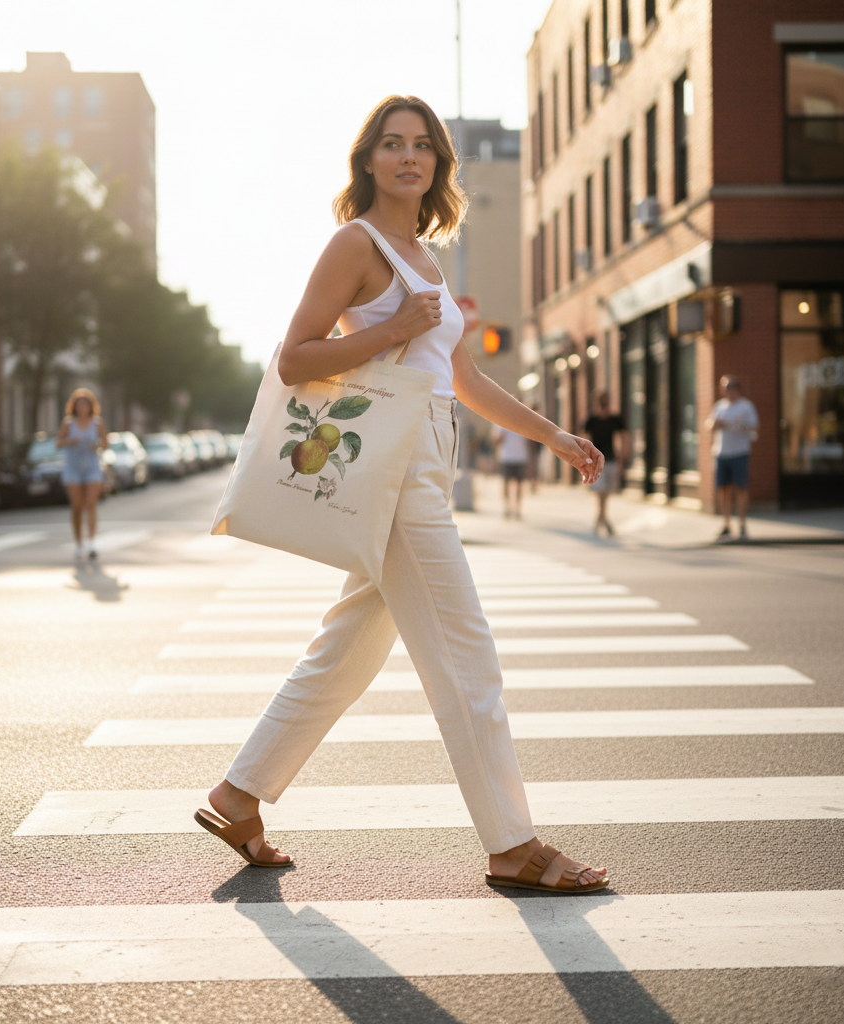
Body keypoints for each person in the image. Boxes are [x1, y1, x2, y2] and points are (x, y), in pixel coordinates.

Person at [196, 95, 609, 895]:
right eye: (391, 144)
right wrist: (391, 328)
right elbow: (294, 359)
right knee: (466, 655)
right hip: (392, 463)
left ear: (439, 165)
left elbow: (463, 378)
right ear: (369, 160)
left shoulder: (426, 256)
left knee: (349, 646)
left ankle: (237, 795)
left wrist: (552, 435)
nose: (407, 157)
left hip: (426, 458)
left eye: (422, 145)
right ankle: (513, 844)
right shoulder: (358, 243)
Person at [705, 375, 759, 541]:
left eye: (732, 388)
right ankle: (726, 524)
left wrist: (740, 425)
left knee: (741, 488)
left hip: (739, 452)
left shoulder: (746, 406)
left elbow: (755, 426)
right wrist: (715, 424)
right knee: (724, 489)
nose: (729, 392)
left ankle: (742, 524)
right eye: (726, 388)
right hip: (722, 453)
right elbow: (708, 425)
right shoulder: (719, 407)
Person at [56, 388, 108, 559]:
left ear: (91, 406)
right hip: (73, 469)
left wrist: (97, 445)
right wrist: (69, 441)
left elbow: (106, 445)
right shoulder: (68, 423)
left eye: (86, 404)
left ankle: (92, 542)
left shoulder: (98, 423)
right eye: (79, 405)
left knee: (91, 505)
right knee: (77, 507)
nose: (82, 408)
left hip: (92, 467)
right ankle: (79, 543)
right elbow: (58, 444)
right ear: (75, 407)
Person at [582, 392, 629, 536]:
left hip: (610, 459)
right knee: (600, 492)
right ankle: (603, 520)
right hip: (596, 461)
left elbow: (624, 436)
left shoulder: (614, 420)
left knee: (607, 491)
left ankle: (601, 519)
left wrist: (622, 455)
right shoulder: (592, 421)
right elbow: (584, 439)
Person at [493, 424, 529, 519]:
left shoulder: (523, 419)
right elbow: (496, 440)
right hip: (506, 457)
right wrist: (500, 436)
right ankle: (506, 508)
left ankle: (517, 509)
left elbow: (529, 440)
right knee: (505, 484)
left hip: (520, 457)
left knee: (519, 485)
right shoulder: (499, 421)